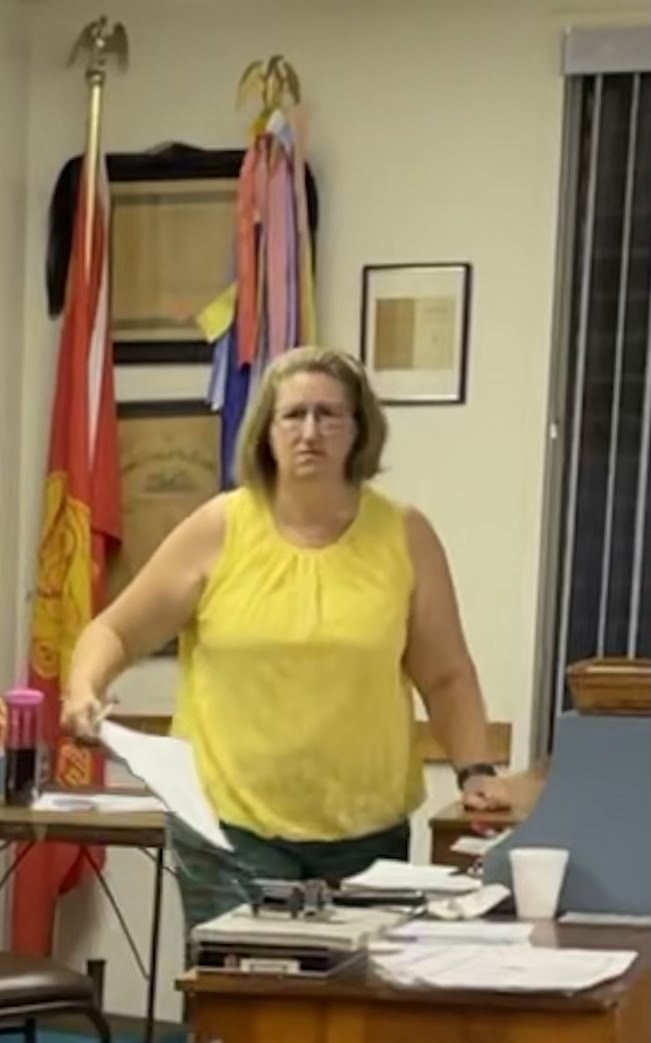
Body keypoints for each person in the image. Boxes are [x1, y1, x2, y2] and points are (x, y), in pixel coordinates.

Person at [60, 345, 513, 932]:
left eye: (329, 415)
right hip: (229, 827)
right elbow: (115, 630)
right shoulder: (220, 527)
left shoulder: (405, 536)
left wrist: (475, 771)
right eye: (292, 415)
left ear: (359, 431)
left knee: (352, 1014)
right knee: (245, 1009)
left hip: (366, 834)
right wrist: (83, 690)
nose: (310, 432)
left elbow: (447, 676)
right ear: (266, 433)